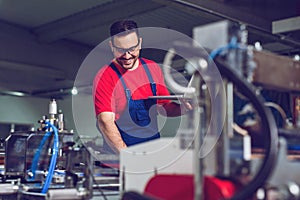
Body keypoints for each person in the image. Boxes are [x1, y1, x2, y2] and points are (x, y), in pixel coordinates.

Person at [93, 19, 192, 153]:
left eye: (132, 49)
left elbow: (163, 107)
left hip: (152, 153)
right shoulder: (105, 75)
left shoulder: (152, 69)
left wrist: (184, 109)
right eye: (121, 50)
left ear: (139, 43)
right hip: (120, 157)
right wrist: (128, 157)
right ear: (111, 46)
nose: (127, 56)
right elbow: (105, 122)